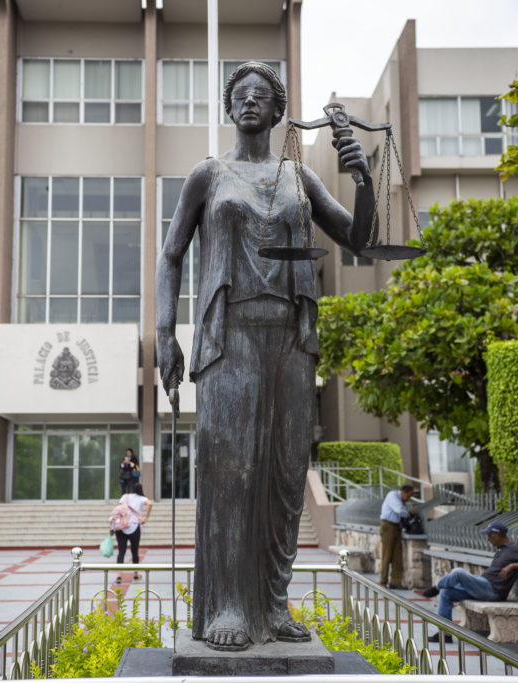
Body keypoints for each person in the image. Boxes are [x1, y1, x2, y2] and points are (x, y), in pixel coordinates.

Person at [156, 61, 374, 651]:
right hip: (231, 340)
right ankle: (228, 603)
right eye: (241, 95)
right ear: (230, 108)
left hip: (290, 339)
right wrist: (163, 331)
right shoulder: (209, 175)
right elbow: (171, 253)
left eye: (263, 96)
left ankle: (273, 608)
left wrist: (365, 179)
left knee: (281, 475)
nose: (250, 102)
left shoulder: (299, 178)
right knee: (232, 472)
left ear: (279, 112)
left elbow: (358, 239)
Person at [422, 521, 518, 642]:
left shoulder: (514, 548)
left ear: (497, 534)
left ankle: (436, 587)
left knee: (458, 572)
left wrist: (511, 566)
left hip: (492, 590)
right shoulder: (501, 549)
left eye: (490, 536)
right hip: (483, 585)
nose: (488, 539)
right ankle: (445, 634)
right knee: (446, 593)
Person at [379, 484, 416, 589]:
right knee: (387, 554)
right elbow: (399, 510)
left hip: (396, 527)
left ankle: (396, 582)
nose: (408, 499)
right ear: (403, 492)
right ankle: (383, 579)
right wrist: (410, 512)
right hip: (388, 526)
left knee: (397, 555)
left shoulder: (402, 501)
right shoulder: (393, 496)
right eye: (408, 496)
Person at [114, 483, 152, 582]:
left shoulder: (125, 496)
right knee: (134, 551)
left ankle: (119, 575)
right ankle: (136, 573)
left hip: (122, 526)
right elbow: (150, 504)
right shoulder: (141, 498)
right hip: (134, 526)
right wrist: (146, 517)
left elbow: (118, 509)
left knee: (121, 551)